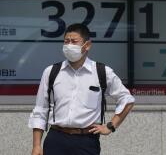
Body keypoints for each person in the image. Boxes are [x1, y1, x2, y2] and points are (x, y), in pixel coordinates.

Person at [28, 23, 135, 155]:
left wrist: (111, 126)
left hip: (86, 141)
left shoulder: (102, 72)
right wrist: (37, 145)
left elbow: (127, 99)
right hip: (56, 138)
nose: (69, 45)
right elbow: (40, 109)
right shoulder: (51, 72)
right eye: (66, 41)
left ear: (87, 45)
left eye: (74, 41)